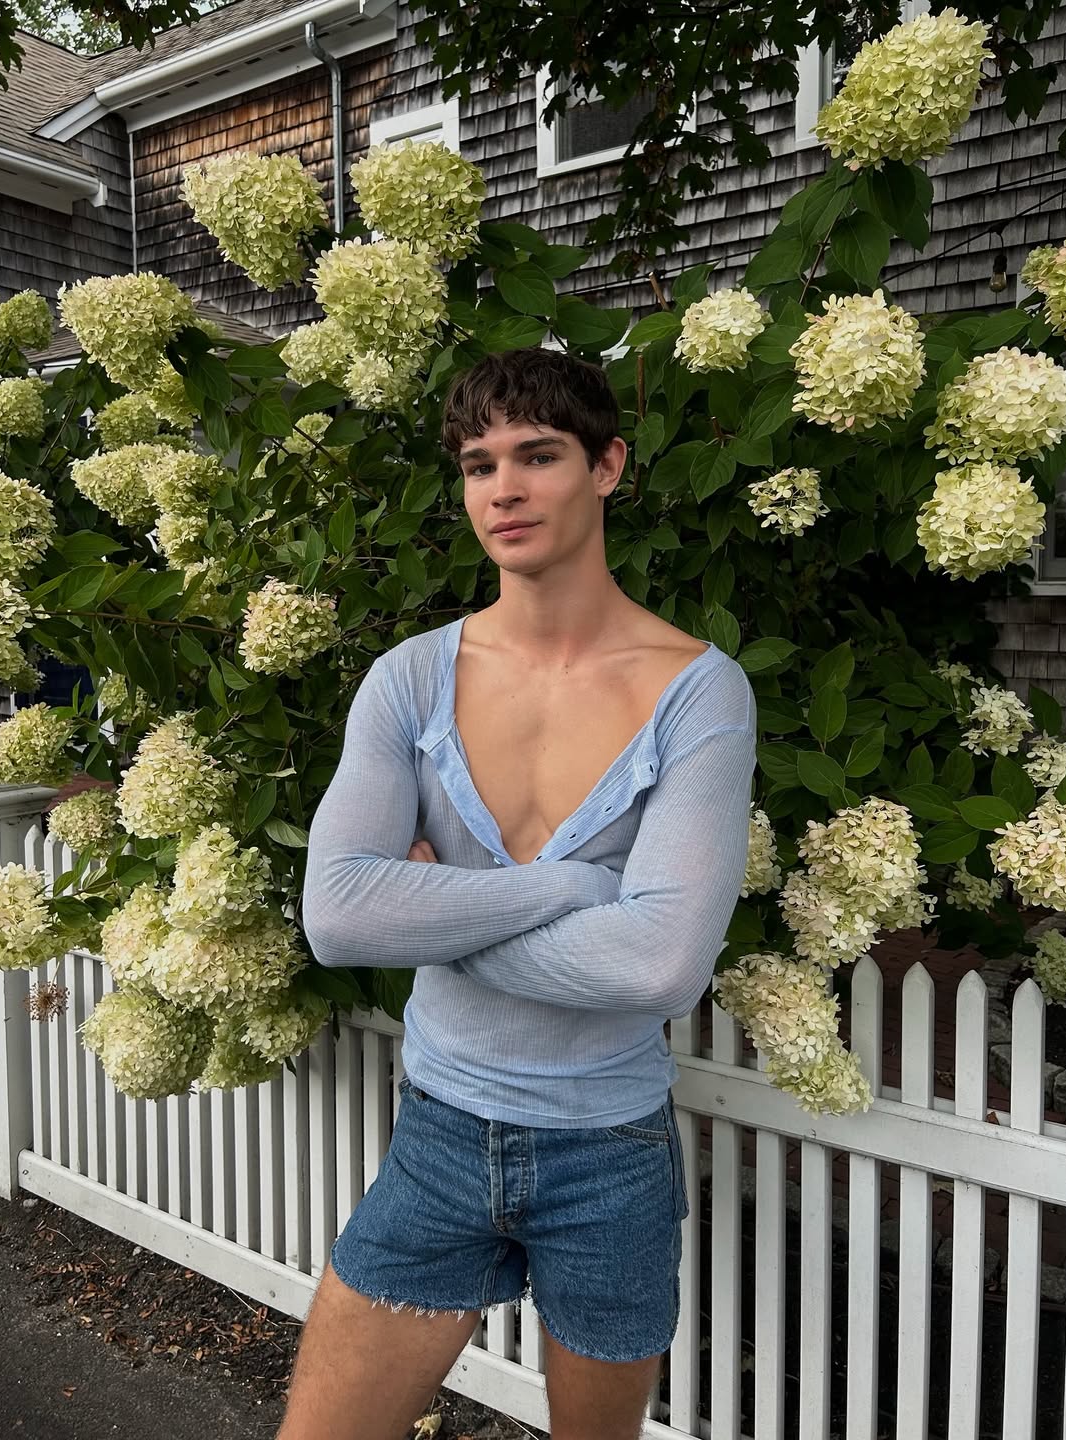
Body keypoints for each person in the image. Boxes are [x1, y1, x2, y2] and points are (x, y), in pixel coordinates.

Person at [280, 346, 758, 1440]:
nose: (504, 488)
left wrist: (432, 911)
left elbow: (660, 966)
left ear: (608, 466)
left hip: (610, 1152)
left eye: (538, 455)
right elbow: (339, 917)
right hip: (439, 1135)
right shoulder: (409, 678)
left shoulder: (698, 692)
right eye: (478, 464)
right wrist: (577, 886)